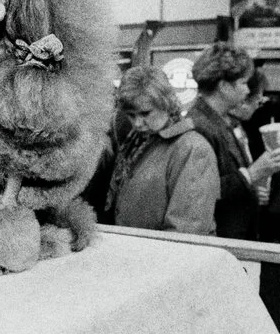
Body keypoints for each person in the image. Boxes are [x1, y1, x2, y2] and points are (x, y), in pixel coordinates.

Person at [87, 65, 219, 234]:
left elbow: (187, 229)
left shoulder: (192, 149)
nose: (137, 123)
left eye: (145, 113)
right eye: (131, 115)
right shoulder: (137, 140)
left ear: (166, 104)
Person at [188, 42, 280, 240]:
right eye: (243, 83)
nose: (247, 90)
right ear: (224, 86)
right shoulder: (200, 126)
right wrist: (252, 174)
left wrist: (252, 185)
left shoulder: (220, 120)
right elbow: (199, 192)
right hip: (220, 239)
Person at [233, 70, 280, 244]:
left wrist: (251, 188)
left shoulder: (237, 125)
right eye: (258, 99)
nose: (260, 103)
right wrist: (251, 176)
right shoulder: (222, 128)